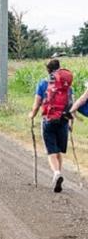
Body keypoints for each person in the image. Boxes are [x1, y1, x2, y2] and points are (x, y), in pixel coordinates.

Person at [28, 59, 73, 193]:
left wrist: (32, 114)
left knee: (51, 150)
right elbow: (71, 105)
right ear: (59, 68)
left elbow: (37, 104)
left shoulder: (43, 83)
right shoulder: (67, 86)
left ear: (47, 70)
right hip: (63, 120)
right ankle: (58, 172)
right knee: (58, 149)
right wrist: (71, 123)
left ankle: (56, 173)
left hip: (48, 119)